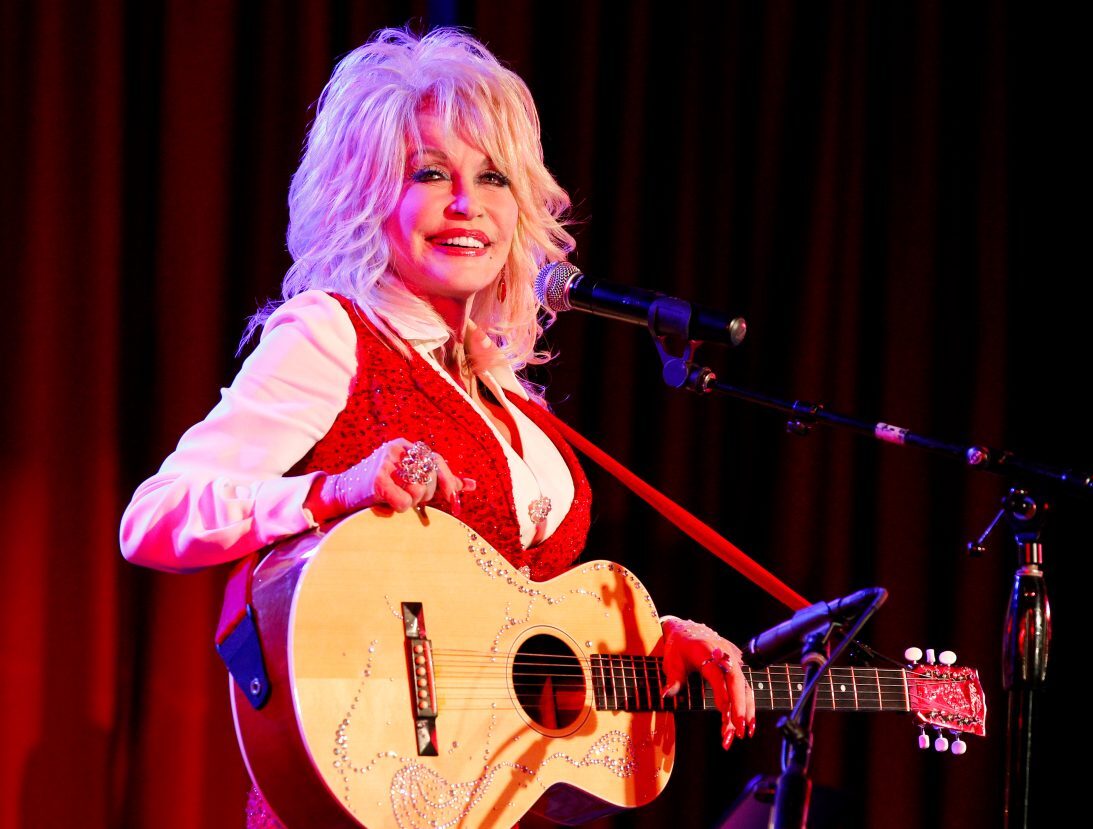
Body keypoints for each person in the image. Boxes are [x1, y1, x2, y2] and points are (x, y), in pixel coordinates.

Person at [119, 25, 754, 828]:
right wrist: (332, 491)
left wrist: (645, 641)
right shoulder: (333, 333)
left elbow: (510, 619)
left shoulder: (511, 389)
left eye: (492, 177)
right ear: (366, 191)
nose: (466, 204)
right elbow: (155, 518)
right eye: (428, 172)